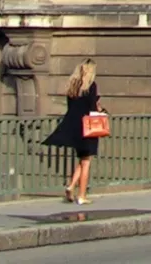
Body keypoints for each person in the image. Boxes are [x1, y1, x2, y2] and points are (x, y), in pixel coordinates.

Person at [43, 59, 104, 204]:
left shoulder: (73, 85)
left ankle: (71, 186)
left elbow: (71, 106)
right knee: (87, 162)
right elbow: (92, 107)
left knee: (83, 159)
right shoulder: (91, 86)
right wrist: (100, 109)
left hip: (74, 126)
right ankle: (82, 195)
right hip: (87, 126)